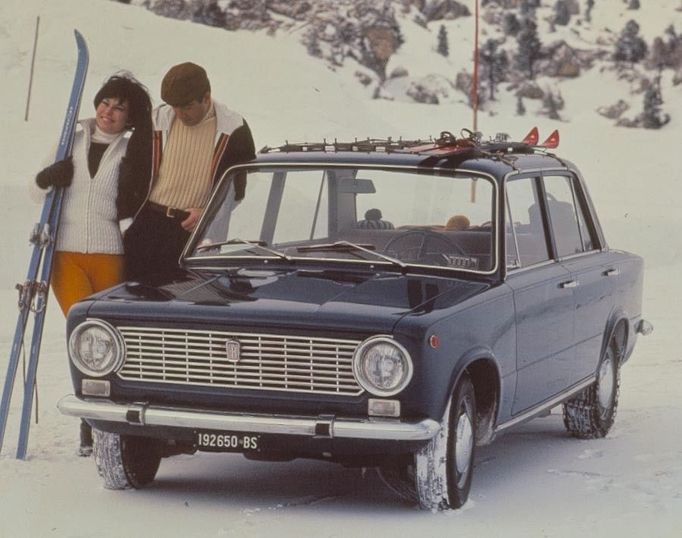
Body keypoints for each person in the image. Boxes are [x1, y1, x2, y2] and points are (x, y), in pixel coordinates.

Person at [32, 74, 153, 456]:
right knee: (83, 334)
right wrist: (48, 177)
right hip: (65, 254)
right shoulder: (72, 137)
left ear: (129, 119)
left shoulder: (132, 150)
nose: (109, 112)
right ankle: (90, 419)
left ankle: (105, 421)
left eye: (119, 108)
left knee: (110, 342)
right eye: (105, 102)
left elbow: (135, 201)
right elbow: (35, 191)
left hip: (109, 253)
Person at [123, 62, 256, 279]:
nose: (180, 113)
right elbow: (130, 172)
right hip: (148, 227)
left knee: (184, 302)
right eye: (174, 106)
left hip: (193, 233)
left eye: (186, 107)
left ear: (206, 97)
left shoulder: (235, 129)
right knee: (137, 302)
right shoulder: (155, 121)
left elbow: (237, 192)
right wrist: (128, 222)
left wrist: (206, 214)